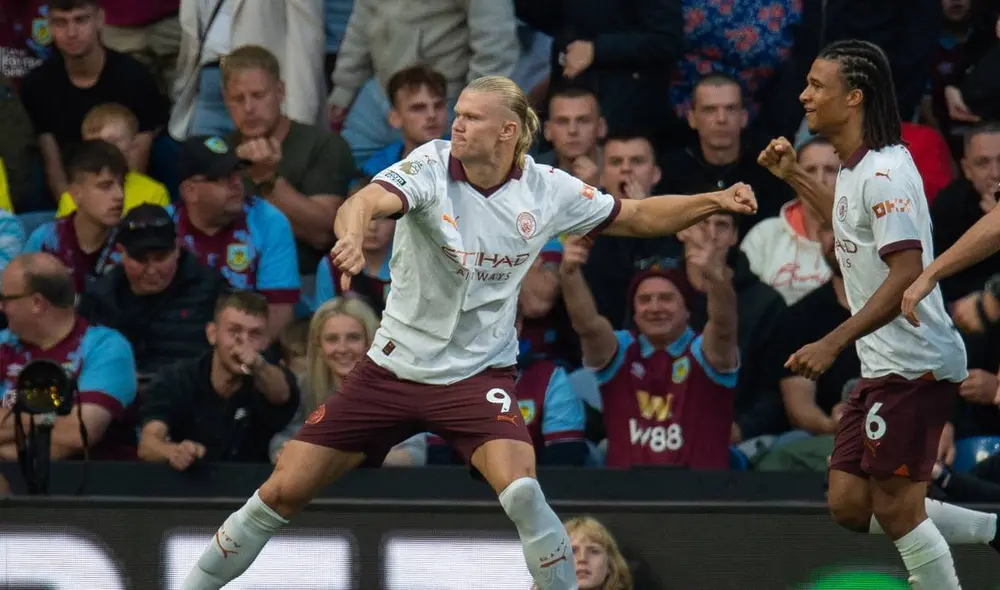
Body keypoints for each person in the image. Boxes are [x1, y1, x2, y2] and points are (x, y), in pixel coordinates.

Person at [179, 75, 757, 590]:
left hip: (477, 377)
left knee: (524, 492)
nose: (456, 124)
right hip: (390, 372)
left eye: (471, 117)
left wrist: (714, 200)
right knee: (282, 491)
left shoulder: (546, 188)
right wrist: (353, 233)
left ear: (508, 131)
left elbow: (636, 216)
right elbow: (365, 200)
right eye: (456, 114)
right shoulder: (430, 164)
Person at [758, 39, 998, 590]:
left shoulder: (885, 174)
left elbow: (906, 272)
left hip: (914, 362)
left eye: (818, 86)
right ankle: (994, 529)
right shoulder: (855, 166)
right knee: (847, 504)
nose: (805, 95)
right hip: (883, 364)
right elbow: (848, 230)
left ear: (855, 97)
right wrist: (795, 176)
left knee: (897, 509)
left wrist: (832, 342)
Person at [269, 298, 426, 466]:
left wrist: (356, 457)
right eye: (332, 339)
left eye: (353, 338)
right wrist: (282, 452)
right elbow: (280, 441)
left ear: (370, 342)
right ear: (319, 346)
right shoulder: (302, 386)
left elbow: (414, 455)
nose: (342, 349)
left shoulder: (397, 391)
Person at [24, 139, 127, 293]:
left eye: (122, 185)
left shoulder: (132, 242)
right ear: (75, 193)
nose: (120, 195)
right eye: (105, 186)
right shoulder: (45, 240)